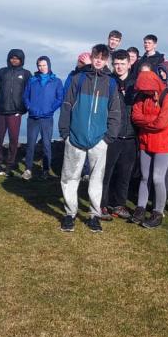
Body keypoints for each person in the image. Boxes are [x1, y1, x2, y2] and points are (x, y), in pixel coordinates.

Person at [58, 45, 121, 233]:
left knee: (96, 180)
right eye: (96, 57)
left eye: (103, 57)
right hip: (74, 138)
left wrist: (108, 138)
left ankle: (94, 215)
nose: (99, 60)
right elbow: (66, 105)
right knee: (70, 178)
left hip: (99, 140)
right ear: (91, 58)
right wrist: (65, 133)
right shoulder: (78, 79)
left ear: (107, 60)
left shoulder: (111, 83)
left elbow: (115, 112)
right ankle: (70, 214)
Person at [130, 69, 168, 229]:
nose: (145, 92)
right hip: (145, 142)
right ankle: (140, 208)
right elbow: (135, 117)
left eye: (147, 89)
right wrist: (152, 120)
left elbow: (162, 122)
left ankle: (158, 213)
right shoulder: (141, 96)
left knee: (158, 178)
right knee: (145, 177)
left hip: (163, 144)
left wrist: (145, 122)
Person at [102, 50, 139, 220]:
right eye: (116, 63)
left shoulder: (136, 83)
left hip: (131, 135)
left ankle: (119, 205)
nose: (119, 67)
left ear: (129, 64)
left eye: (122, 63)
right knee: (106, 172)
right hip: (112, 135)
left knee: (125, 173)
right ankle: (102, 204)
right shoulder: (108, 82)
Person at [0, 48, 32, 177]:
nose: (14, 60)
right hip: (1, 111)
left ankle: (9, 165)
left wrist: (23, 109)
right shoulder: (2, 72)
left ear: (21, 60)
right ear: (9, 59)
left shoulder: (26, 74)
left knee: (13, 139)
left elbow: (29, 92)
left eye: (17, 58)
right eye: (12, 58)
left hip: (15, 112)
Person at [22, 56, 63, 180]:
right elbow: (25, 96)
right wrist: (29, 107)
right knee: (30, 144)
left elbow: (59, 98)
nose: (42, 68)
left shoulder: (56, 81)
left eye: (44, 65)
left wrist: (50, 110)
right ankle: (28, 170)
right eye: (39, 65)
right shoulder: (32, 80)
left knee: (46, 144)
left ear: (49, 65)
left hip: (47, 118)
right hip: (33, 118)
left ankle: (45, 170)